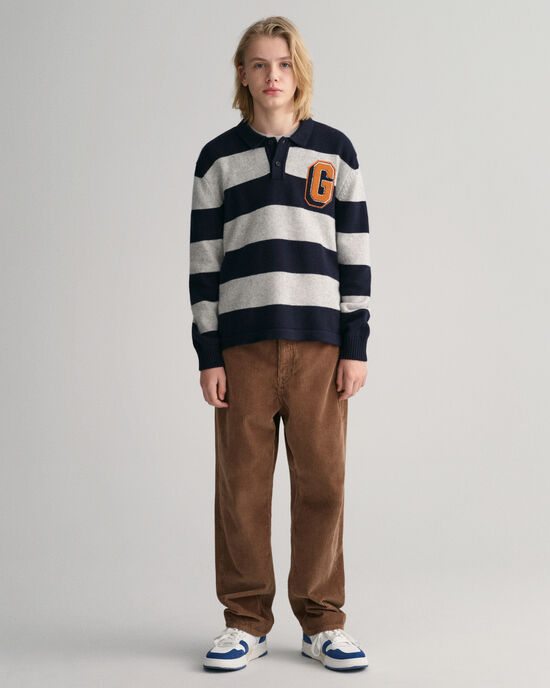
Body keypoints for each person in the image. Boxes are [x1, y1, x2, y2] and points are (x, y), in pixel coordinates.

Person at [189, 16, 371, 672]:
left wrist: (356, 345)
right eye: (261, 64)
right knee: (241, 488)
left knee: (323, 483)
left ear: (300, 72)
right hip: (242, 348)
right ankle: (245, 620)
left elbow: (355, 256)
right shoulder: (217, 159)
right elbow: (204, 263)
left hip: (320, 347)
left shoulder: (335, 152)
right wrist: (209, 354)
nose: (273, 76)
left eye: (284, 64)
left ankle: (322, 621)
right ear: (242, 73)